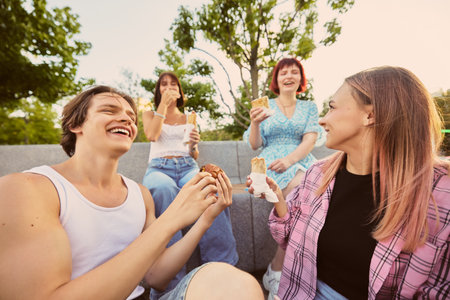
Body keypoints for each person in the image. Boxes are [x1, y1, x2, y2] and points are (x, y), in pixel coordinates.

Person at [0, 85, 264, 300]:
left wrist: (205, 218)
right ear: (75, 125)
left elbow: (156, 277)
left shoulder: (139, 194)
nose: (126, 118)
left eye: (130, 115)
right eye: (109, 110)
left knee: (235, 283)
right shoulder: (27, 188)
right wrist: (171, 218)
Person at [248, 66, 450, 299]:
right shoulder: (316, 174)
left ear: (370, 115)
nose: (323, 120)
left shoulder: (440, 194)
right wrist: (279, 201)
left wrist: (289, 160)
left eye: (332, 107)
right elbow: (290, 241)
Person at [141, 72, 238, 298]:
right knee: (163, 189)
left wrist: (194, 144)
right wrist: (163, 108)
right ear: (158, 91)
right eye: (163, 85)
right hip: (159, 168)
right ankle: (171, 281)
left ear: (180, 90)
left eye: (173, 84)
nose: (168, 87)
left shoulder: (189, 117)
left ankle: (222, 268)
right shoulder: (150, 114)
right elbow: (152, 135)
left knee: (210, 189)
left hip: (186, 166)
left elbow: (193, 154)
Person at [243, 57, 322, 299]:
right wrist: (255, 123)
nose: (288, 76)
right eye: (283, 72)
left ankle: (277, 268)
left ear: (301, 78)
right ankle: (284, 273)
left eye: (294, 72)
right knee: (300, 189)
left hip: (301, 160)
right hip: (271, 163)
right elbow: (254, 144)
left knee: (311, 186)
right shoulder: (266, 105)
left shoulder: (309, 107)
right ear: (276, 80)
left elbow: (310, 139)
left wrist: (290, 160)